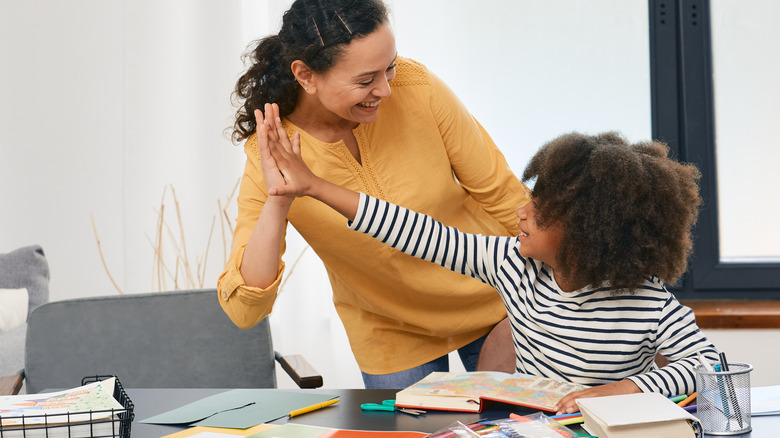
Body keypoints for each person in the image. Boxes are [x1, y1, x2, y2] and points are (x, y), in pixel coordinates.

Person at [257, 115, 719, 414]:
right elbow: (417, 232)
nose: (522, 210)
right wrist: (314, 186)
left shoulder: (647, 301)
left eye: (540, 206)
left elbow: (708, 367)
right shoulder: (511, 266)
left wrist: (616, 392)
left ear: (587, 230)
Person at [218, 0, 530, 389]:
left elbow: (505, 196)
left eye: (390, 67)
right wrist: (279, 198)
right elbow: (246, 308)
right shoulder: (273, 151)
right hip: (390, 331)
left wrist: (547, 295)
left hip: (495, 301)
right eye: (366, 80)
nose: (385, 89)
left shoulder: (417, 88)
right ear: (306, 75)